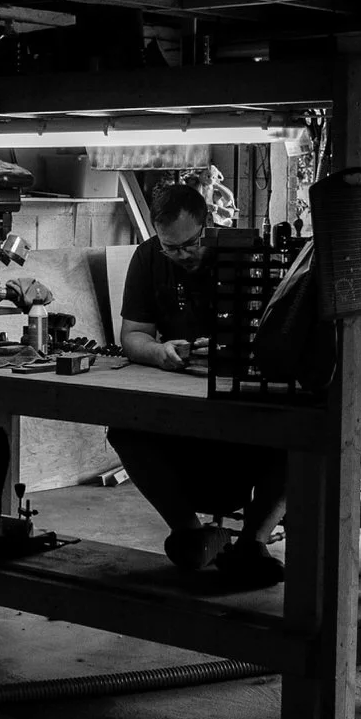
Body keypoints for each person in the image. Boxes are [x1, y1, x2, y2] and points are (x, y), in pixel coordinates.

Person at [109, 182, 288, 586]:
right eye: (169, 247)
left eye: (189, 245)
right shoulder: (149, 258)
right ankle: (190, 534)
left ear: (206, 226)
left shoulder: (245, 256)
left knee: (299, 435)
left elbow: (282, 335)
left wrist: (235, 348)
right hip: (180, 393)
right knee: (125, 430)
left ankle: (253, 542)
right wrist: (160, 351)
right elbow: (133, 335)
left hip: (243, 394)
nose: (180, 255)